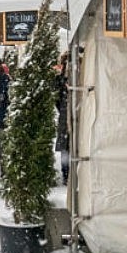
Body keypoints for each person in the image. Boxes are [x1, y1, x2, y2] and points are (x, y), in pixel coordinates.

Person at [55, 52, 70, 185]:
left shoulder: (60, 80)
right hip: (66, 116)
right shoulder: (60, 80)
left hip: (65, 116)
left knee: (66, 147)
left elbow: (56, 101)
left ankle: (67, 173)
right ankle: (66, 173)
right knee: (66, 147)